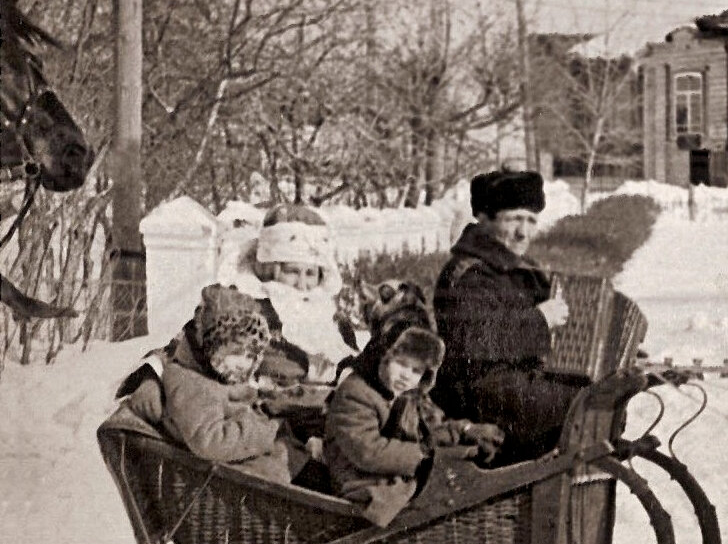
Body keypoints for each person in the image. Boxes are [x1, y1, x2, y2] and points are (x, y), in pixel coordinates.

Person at [431, 169, 595, 461]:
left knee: (601, 392)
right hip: (476, 391)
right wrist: (539, 321)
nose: (524, 232)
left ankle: (566, 479)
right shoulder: (467, 273)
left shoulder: (522, 269)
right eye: (514, 219)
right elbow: (472, 343)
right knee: (582, 402)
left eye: (531, 220)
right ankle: (543, 482)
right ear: (483, 219)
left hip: (513, 383)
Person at [117, 284, 301, 483]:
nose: (244, 363)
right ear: (213, 347)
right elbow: (210, 440)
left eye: (251, 356)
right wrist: (266, 430)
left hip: (251, 457)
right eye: (237, 353)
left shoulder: (216, 373)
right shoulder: (193, 383)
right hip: (238, 478)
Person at [324, 325, 504, 526]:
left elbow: (432, 428)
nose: (406, 375)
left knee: (463, 467)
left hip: (395, 467)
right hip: (358, 476)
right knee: (434, 487)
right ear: (383, 358)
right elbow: (368, 451)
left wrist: (464, 431)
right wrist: (424, 456)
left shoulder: (408, 394)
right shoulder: (356, 392)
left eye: (416, 370)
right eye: (401, 364)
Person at [219, 203, 356, 383]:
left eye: (310, 274)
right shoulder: (248, 313)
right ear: (269, 269)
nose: (302, 284)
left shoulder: (332, 317)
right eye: (292, 271)